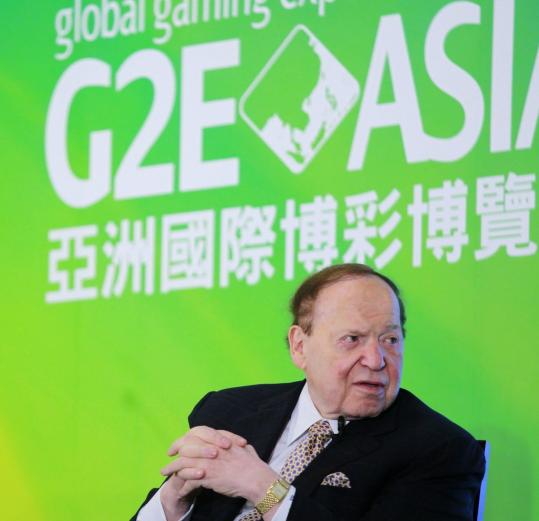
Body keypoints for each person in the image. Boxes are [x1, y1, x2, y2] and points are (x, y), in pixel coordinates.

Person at [132, 263, 485, 521]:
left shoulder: (439, 450)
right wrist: (174, 499)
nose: (377, 360)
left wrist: (264, 488)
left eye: (390, 339)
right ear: (300, 346)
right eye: (353, 339)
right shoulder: (228, 412)